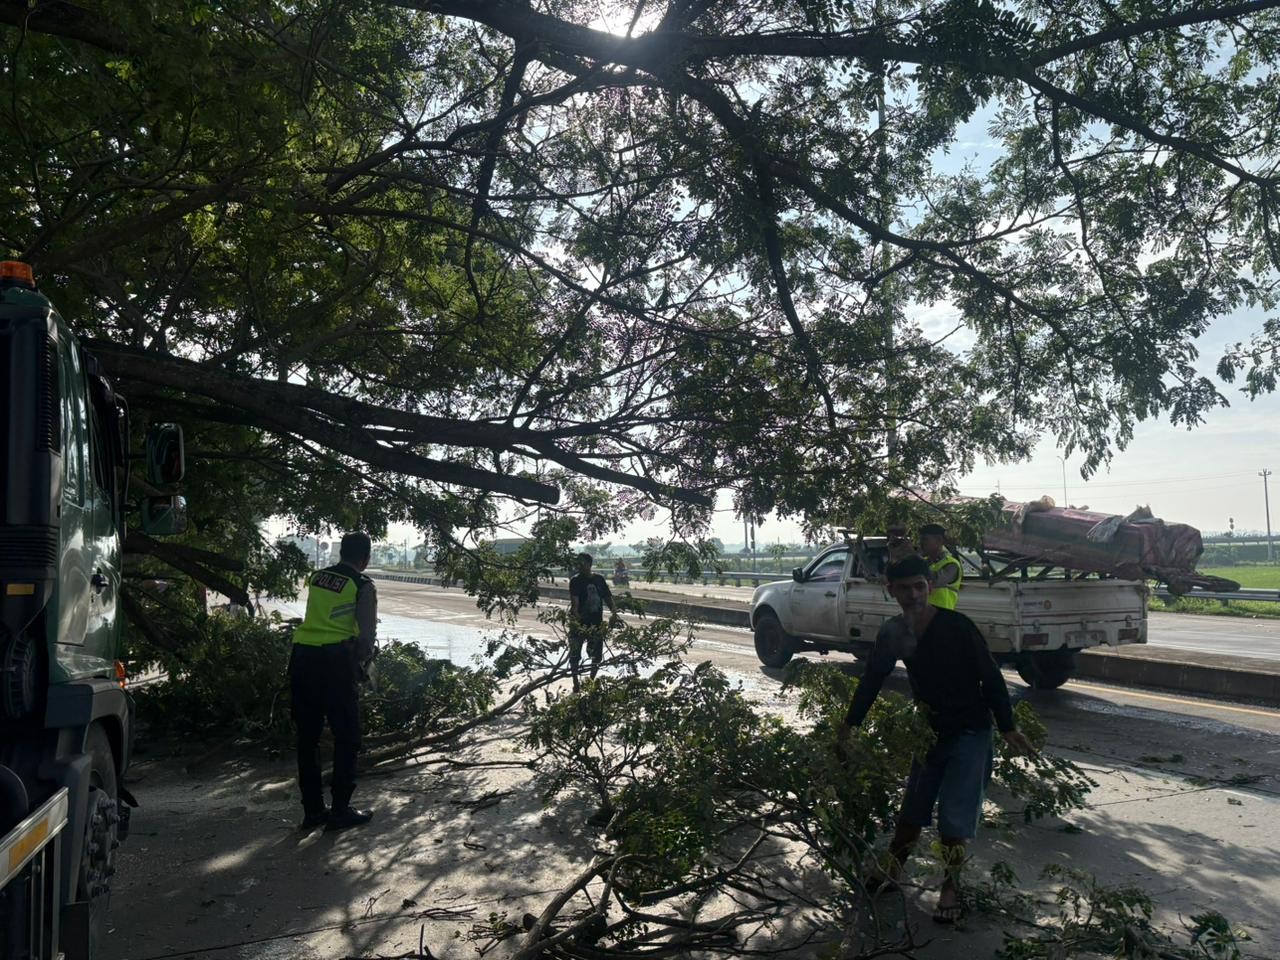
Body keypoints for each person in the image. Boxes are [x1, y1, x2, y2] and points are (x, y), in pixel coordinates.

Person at [838, 554, 1036, 924]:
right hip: (929, 731)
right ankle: (894, 867)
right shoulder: (893, 632)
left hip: (970, 729)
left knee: (953, 818)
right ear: (891, 591)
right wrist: (850, 724)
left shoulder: (957, 626)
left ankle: (951, 886)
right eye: (904, 588)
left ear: (930, 586)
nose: (913, 594)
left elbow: (990, 677)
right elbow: (872, 679)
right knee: (913, 806)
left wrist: (1008, 726)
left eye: (919, 586)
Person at [290, 531, 378, 832]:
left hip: (302, 657)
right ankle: (340, 810)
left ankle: (313, 811)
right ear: (365, 558)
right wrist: (361, 664)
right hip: (335, 662)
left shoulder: (317, 577)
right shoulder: (362, 584)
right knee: (347, 737)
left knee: (308, 738)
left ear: (341, 553)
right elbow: (366, 638)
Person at [567, 552, 618, 690]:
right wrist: (577, 619)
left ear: (589, 564)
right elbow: (575, 603)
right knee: (574, 654)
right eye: (577, 563)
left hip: (596, 623)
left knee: (596, 655)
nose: (579, 566)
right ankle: (576, 683)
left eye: (582, 563)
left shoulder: (599, 580)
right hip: (579, 622)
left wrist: (614, 613)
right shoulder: (575, 581)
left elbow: (608, 598)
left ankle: (590, 681)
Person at [919, 522, 963, 610]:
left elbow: (933, 581)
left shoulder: (952, 564)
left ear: (939, 540)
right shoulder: (924, 562)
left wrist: (914, 559)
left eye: (925, 539)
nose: (921, 543)